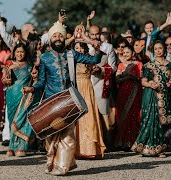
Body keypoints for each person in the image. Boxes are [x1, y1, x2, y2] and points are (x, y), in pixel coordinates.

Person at [23, 22, 102, 176]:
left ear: (65, 37)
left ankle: (62, 167)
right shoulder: (45, 58)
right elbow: (41, 82)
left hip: (69, 100)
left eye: (60, 35)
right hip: (51, 101)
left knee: (68, 135)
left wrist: (97, 49)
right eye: (55, 35)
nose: (58, 38)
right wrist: (32, 88)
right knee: (50, 137)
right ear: (51, 39)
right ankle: (52, 163)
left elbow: (93, 60)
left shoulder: (72, 54)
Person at [131, 40, 171, 157]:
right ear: (153, 51)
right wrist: (151, 85)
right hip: (151, 96)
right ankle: (147, 147)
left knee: (161, 122)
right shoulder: (149, 65)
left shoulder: (170, 65)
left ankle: (159, 148)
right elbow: (143, 81)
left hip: (165, 97)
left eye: (160, 48)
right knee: (152, 120)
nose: (158, 51)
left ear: (164, 50)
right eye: (156, 49)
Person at [72, 42, 106, 159]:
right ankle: (77, 149)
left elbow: (100, 64)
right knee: (77, 117)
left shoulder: (89, 59)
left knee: (89, 115)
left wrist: (97, 69)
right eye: (76, 48)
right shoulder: (72, 60)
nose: (79, 50)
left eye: (81, 47)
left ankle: (91, 148)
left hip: (87, 88)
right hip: (76, 89)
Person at [2, 43, 36, 157]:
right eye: (17, 52)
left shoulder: (29, 66)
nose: (19, 54)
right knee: (12, 120)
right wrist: (6, 77)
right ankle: (11, 147)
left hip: (24, 96)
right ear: (14, 53)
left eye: (22, 52)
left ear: (25, 53)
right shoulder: (9, 64)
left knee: (21, 120)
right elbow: (4, 81)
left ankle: (20, 147)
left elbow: (35, 80)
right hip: (12, 95)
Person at [88, 25, 117, 148]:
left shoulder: (108, 47)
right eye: (92, 34)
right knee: (88, 114)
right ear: (88, 34)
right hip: (86, 83)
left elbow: (113, 67)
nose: (94, 37)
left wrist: (100, 70)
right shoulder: (83, 46)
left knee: (104, 113)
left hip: (101, 83)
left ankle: (106, 143)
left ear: (100, 34)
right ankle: (90, 144)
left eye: (96, 34)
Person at [114, 45, 142, 150]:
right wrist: (128, 77)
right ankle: (122, 141)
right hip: (122, 94)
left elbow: (141, 78)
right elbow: (117, 80)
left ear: (133, 53)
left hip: (135, 93)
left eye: (128, 52)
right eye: (124, 53)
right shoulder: (120, 65)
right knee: (122, 117)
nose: (125, 55)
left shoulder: (138, 64)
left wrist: (134, 77)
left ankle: (133, 141)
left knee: (134, 115)